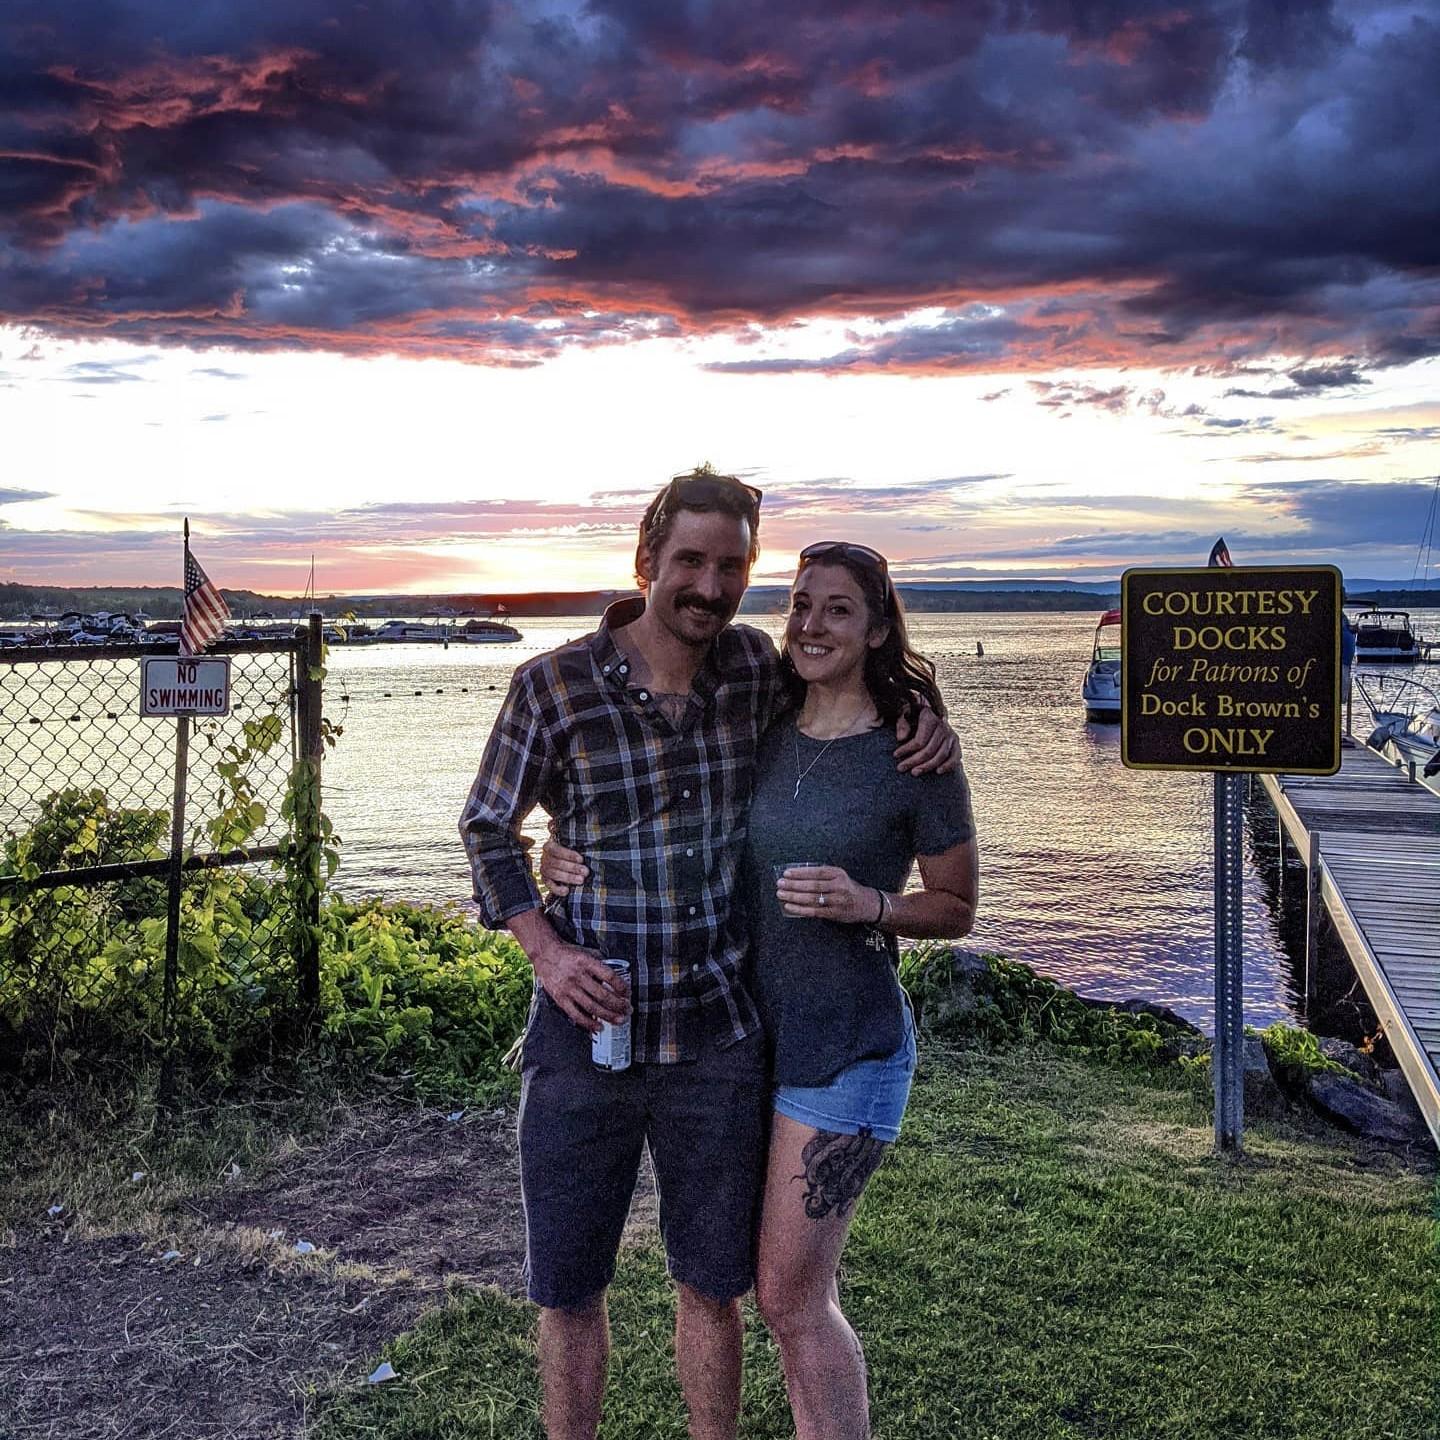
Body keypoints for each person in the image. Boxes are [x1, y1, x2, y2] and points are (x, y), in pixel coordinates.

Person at [458, 469, 958, 1440]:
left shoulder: (755, 674)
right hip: (583, 1033)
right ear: (647, 560)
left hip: (720, 1038)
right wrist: (545, 952)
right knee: (568, 1289)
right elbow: (487, 828)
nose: (709, 582)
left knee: (713, 1289)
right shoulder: (551, 687)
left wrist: (919, 719)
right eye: (689, 559)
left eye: (732, 565)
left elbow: (846, 686)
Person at [744, 541, 977, 1440]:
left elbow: (956, 906)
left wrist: (867, 904)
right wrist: (563, 849)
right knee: (773, 1294)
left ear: (878, 627)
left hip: (848, 1050)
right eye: (801, 604)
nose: (811, 624)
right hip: (749, 1043)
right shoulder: (762, 723)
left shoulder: (913, 753)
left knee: (793, 1298)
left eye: (838, 609)